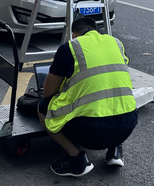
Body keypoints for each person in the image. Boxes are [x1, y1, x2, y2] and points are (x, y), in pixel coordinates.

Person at [38, 17, 138, 177]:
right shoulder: (116, 43)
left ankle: (76, 158)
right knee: (115, 97)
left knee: (43, 106)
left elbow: (48, 92)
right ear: (96, 30)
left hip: (91, 134)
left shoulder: (71, 48)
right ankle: (115, 151)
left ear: (74, 34)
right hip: (127, 125)